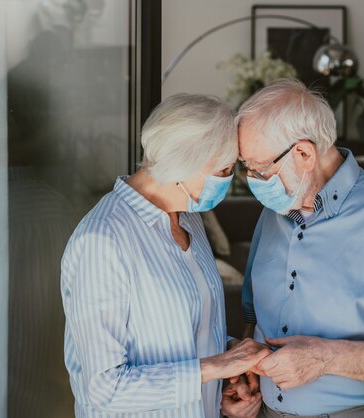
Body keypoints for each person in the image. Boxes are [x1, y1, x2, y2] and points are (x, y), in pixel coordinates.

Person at [222, 79, 364, 418]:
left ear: (305, 154)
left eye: (258, 168)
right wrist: (248, 378)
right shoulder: (272, 215)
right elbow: (255, 321)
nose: (250, 179)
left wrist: (326, 358)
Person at [61, 93, 271, 418]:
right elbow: (104, 389)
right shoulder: (102, 241)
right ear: (186, 161)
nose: (230, 181)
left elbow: (185, 332)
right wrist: (214, 367)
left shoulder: (188, 217)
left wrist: (220, 382)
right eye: (225, 169)